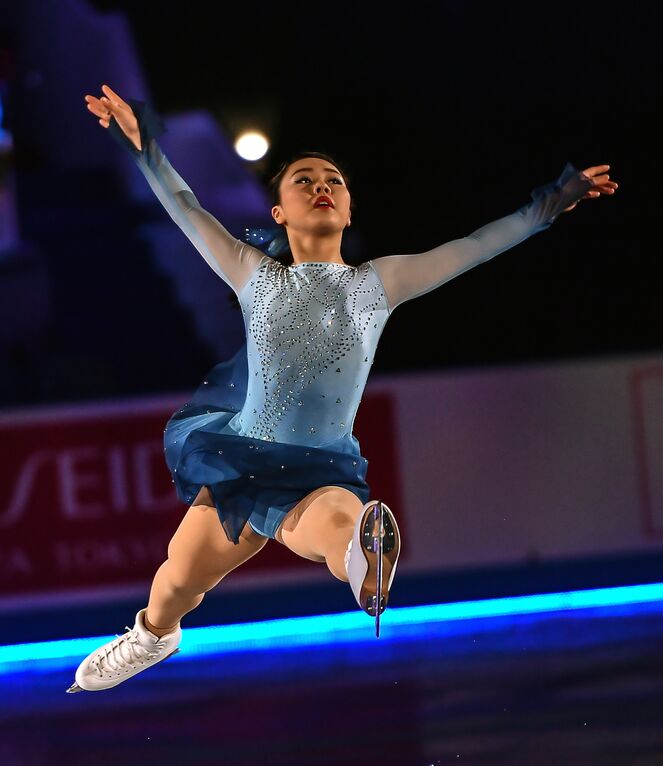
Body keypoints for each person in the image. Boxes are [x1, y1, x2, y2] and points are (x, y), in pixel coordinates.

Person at [67, 84, 617, 692]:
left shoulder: (382, 282)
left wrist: (547, 207)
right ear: (277, 212)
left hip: (320, 467)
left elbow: (474, 248)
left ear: (350, 210)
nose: (321, 186)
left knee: (343, 522)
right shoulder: (253, 273)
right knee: (175, 583)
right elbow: (184, 204)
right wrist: (145, 147)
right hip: (241, 462)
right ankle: (151, 637)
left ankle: (367, 564)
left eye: (333, 180)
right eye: (302, 180)